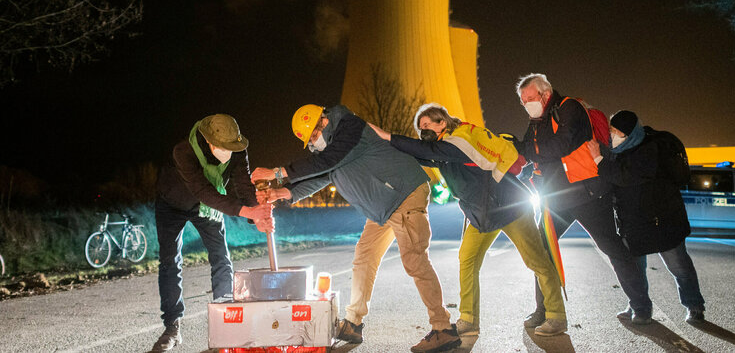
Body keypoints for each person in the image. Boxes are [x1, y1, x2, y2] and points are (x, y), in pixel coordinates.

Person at [251, 104, 460, 353]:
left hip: (403, 194)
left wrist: (277, 172)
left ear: (324, 123)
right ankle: (353, 324)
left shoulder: (350, 128)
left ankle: (443, 329)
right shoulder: (334, 148)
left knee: (415, 261)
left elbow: (326, 161)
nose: (312, 144)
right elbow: (322, 175)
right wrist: (279, 192)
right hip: (383, 207)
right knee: (364, 257)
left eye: (314, 137)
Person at [368, 103, 569, 337]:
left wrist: (387, 135)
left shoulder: (461, 140)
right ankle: (469, 320)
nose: (423, 132)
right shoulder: (443, 149)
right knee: (467, 259)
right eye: (419, 128)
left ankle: (556, 316)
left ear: (442, 122)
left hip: (510, 206)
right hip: (482, 212)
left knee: (536, 261)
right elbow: (421, 154)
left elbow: (429, 152)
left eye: (426, 125)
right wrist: (382, 144)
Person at [515, 73, 654, 325]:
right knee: (541, 251)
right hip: (555, 199)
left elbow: (561, 146)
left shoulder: (570, 108)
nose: (527, 104)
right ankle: (543, 309)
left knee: (612, 248)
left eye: (530, 98)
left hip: (588, 193)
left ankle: (641, 305)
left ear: (545, 94)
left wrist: (523, 149)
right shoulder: (536, 121)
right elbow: (529, 151)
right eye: (523, 101)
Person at [152, 114, 274, 352]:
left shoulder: (238, 149)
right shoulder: (184, 151)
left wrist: (255, 216)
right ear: (209, 142)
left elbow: (242, 185)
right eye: (224, 148)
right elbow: (203, 191)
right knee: (170, 262)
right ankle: (172, 327)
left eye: (233, 147)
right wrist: (245, 210)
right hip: (173, 203)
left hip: (207, 208)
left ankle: (226, 325)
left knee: (221, 258)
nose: (229, 152)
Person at [588, 110, 706, 323]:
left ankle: (694, 305)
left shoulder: (649, 150)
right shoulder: (617, 151)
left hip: (662, 221)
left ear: (630, 133)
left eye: (616, 131)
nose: (612, 135)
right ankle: (638, 306)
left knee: (679, 267)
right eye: (611, 130)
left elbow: (625, 176)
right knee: (634, 269)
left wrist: (598, 159)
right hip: (633, 223)